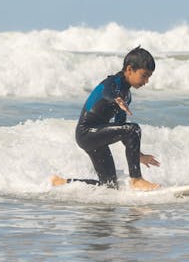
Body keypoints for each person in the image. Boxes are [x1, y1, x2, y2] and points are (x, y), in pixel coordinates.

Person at [51, 46, 160, 191]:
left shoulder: (127, 95)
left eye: (149, 77)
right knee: (133, 129)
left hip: (96, 136)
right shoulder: (113, 82)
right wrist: (116, 98)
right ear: (129, 69)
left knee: (109, 186)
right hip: (87, 132)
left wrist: (138, 155)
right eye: (144, 75)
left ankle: (62, 182)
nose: (146, 81)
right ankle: (137, 180)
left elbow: (121, 127)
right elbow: (108, 92)